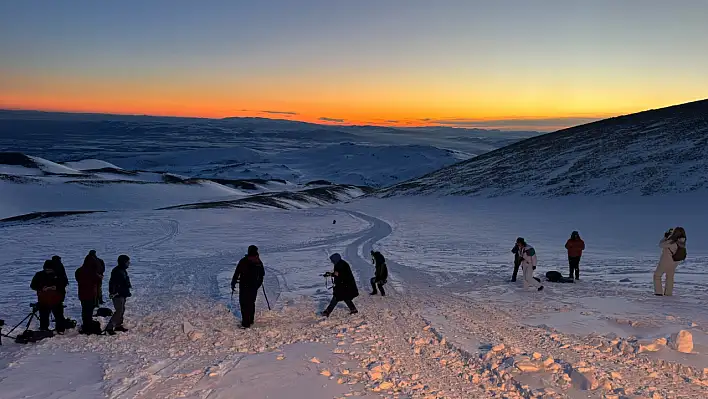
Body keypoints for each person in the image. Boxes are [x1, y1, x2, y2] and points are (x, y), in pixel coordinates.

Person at [231, 245, 265, 329]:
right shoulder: (258, 262)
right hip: (253, 286)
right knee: (251, 303)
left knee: (244, 304)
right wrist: (258, 285)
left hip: (244, 286)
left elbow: (237, 272)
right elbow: (262, 274)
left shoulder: (243, 261)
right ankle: (251, 320)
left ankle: (245, 323)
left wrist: (233, 282)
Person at [30, 260, 66, 333]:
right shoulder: (39, 275)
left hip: (56, 299)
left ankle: (60, 330)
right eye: (46, 269)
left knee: (59, 316)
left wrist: (56, 287)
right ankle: (44, 329)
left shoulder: (59, 275)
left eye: (50, 269)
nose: (48, 271)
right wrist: (42, 288)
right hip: (43, 299)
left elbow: (64, 284)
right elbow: (33, 285)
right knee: (44, 316)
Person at [654, 227, 687, 296]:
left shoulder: (671, 241)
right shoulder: (682, 242)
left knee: (657, 276)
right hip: (675, 262)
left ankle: (658, 292)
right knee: (670, 277)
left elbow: (661, 244)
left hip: (666, 261)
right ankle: (668, 293)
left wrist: (665, 237)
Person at [76, 254, 103, 334]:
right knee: (89, 310)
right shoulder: (92, 272)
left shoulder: (79, 271)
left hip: (82, 293)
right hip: (91, 294)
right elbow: (98, 280)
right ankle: (88, 325)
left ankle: (86, 324)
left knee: (84, 310)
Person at [106, 255, 132, 335]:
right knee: (119, 311)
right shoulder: (117, 271)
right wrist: (114, 293)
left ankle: (118, 325)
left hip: (122, 294)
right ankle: (109, 327)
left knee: (122, 310)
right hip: (117, 295)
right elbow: (113, 284)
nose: (129, 263)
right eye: (127, 262)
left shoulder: (122, 270)